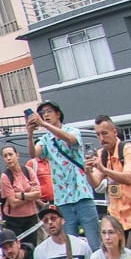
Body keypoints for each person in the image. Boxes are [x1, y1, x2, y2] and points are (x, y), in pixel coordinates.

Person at [29, 100, 100, 250]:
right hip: (63, 199)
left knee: (95, 243)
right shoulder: (45, 139)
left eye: (49, 111)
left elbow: (70, 140)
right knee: (71, 246)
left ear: (58, 114)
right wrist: (30, 134)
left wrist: (44, 124)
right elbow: (32, 154)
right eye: (43, 113)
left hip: (82, 195)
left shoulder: (72, 130)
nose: (45, 115)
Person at [89, 115, 131, 230]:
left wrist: (105, 170)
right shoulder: (102, 154)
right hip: (116, 216)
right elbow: (96, 183)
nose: (101, 138)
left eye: (104, 133)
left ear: (114, 132)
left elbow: (128, 178)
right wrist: (87, 171)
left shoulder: (127, 149)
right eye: (98, 135)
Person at [0, 145, 42, 235]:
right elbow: (13, 203)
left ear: (17, 155)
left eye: (11, 154)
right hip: (13, 219)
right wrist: (30, 193)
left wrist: (21, 195)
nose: (8, 158)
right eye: (5, 156)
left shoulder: (28, 170)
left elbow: (38, 194)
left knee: (31, 246)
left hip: (31, 216)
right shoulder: (5, 177)